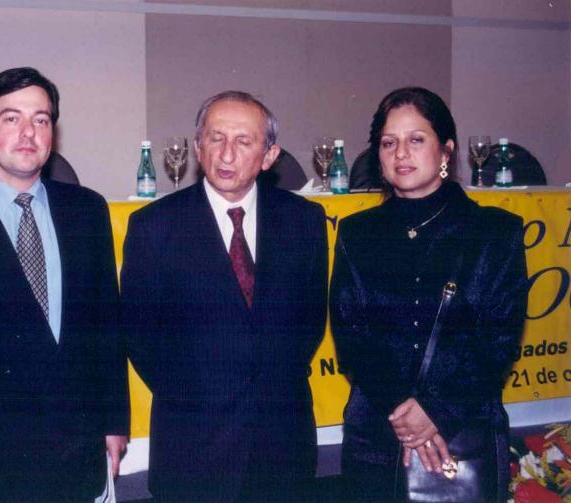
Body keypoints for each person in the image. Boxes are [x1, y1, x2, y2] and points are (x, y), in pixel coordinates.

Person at [0, 67, 129, 502]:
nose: (28, 132)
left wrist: (115, 421)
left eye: (41, 119)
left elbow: (107, 326)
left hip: (76, 452)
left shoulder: (87, 210)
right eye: (12, 118)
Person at [121, 91, 328, 501]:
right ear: (198, 147)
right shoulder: (154, 226)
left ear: (269, 156)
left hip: (282, 447)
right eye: (216, 138)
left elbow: (308, 324)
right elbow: (140, 337)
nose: (227, 154)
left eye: (243, 141)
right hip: (192, 448)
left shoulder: (304, 220)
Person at [330, 87, 527, 501]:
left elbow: (498, 342)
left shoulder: (494, 232)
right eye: (389, 143)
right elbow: (352, 337)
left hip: (462, 432)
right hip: (376, 434)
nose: (401, 153)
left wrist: (435, 412)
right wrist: (405, 416)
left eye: (416, 139)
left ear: (446, 151)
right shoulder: (357, 233)